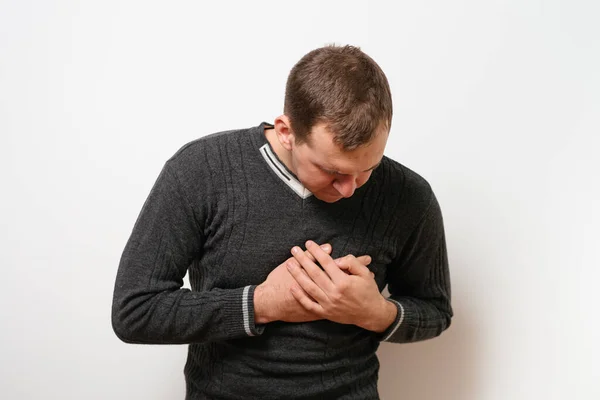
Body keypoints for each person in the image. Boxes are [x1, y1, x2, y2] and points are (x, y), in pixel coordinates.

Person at [112, 44, 453, 399]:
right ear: (286, 131)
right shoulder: (201, 171)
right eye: (332, 171)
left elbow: (435, 310)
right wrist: (261, 303)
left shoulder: (409, 196)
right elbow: (135, 311)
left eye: (368, 169)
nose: (350, 189)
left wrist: (375, 313)